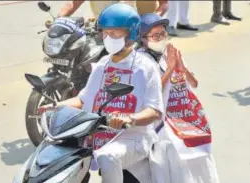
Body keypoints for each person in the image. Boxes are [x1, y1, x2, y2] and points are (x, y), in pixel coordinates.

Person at [56, 3, 164, 183]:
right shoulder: (102, 65)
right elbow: (83, 100)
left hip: (134, 138)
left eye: (115, 33)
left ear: (131, 34)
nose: (109, 37)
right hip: (98, 137)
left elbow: (155, 110)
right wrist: (54, 107)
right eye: (106, 33)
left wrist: (131, 119)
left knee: (108, 157)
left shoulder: (145, 67)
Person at [138, 13, 219, 183]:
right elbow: (150, 94)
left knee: (201, 147)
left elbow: (194, 83)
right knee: (175, 148)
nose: (161, 38)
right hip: (161, 120)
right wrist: (170, 69)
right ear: (143, 40)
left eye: (163, 34)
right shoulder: (141, 60)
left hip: (183, 114)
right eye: (155, 35)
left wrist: (182, 69)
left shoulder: (171, 53)